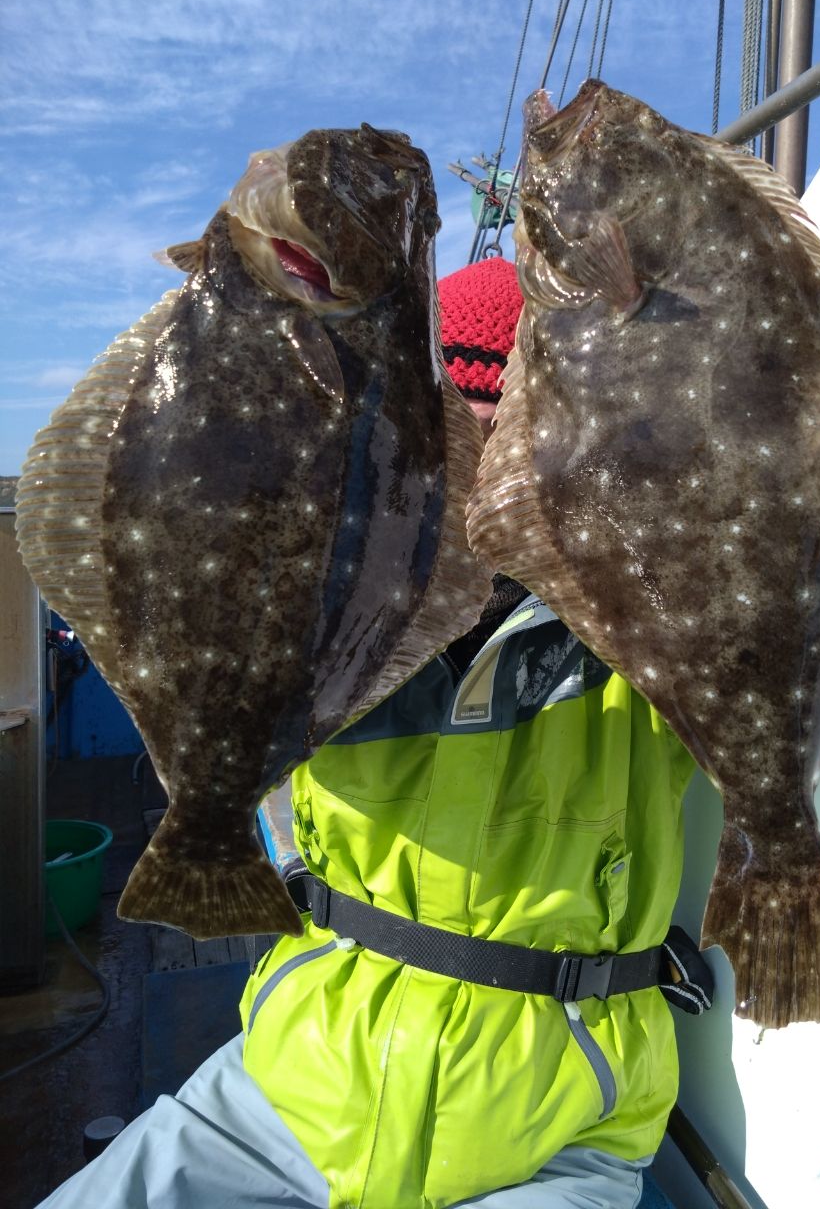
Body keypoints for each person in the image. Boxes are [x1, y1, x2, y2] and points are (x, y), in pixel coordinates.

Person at [38, 256, 712, 1209]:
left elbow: (803, 674)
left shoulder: (650, 611)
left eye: (520, 433)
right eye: (451, 433)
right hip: (290, 1093)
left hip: (554, 1132)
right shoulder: (326, 579)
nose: (488, 473)